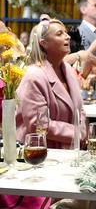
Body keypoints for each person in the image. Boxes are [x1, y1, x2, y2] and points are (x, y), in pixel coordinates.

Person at [16, 19, 88, 147]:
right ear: (44, 43)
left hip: (70, 151)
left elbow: (80, 110)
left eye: (66, 33)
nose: (68, 37)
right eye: (60, 34)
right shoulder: (34, 76)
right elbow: (39, 125)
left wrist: (83, 132)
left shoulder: (69, 70)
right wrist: (77, 134)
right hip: (38, 153)